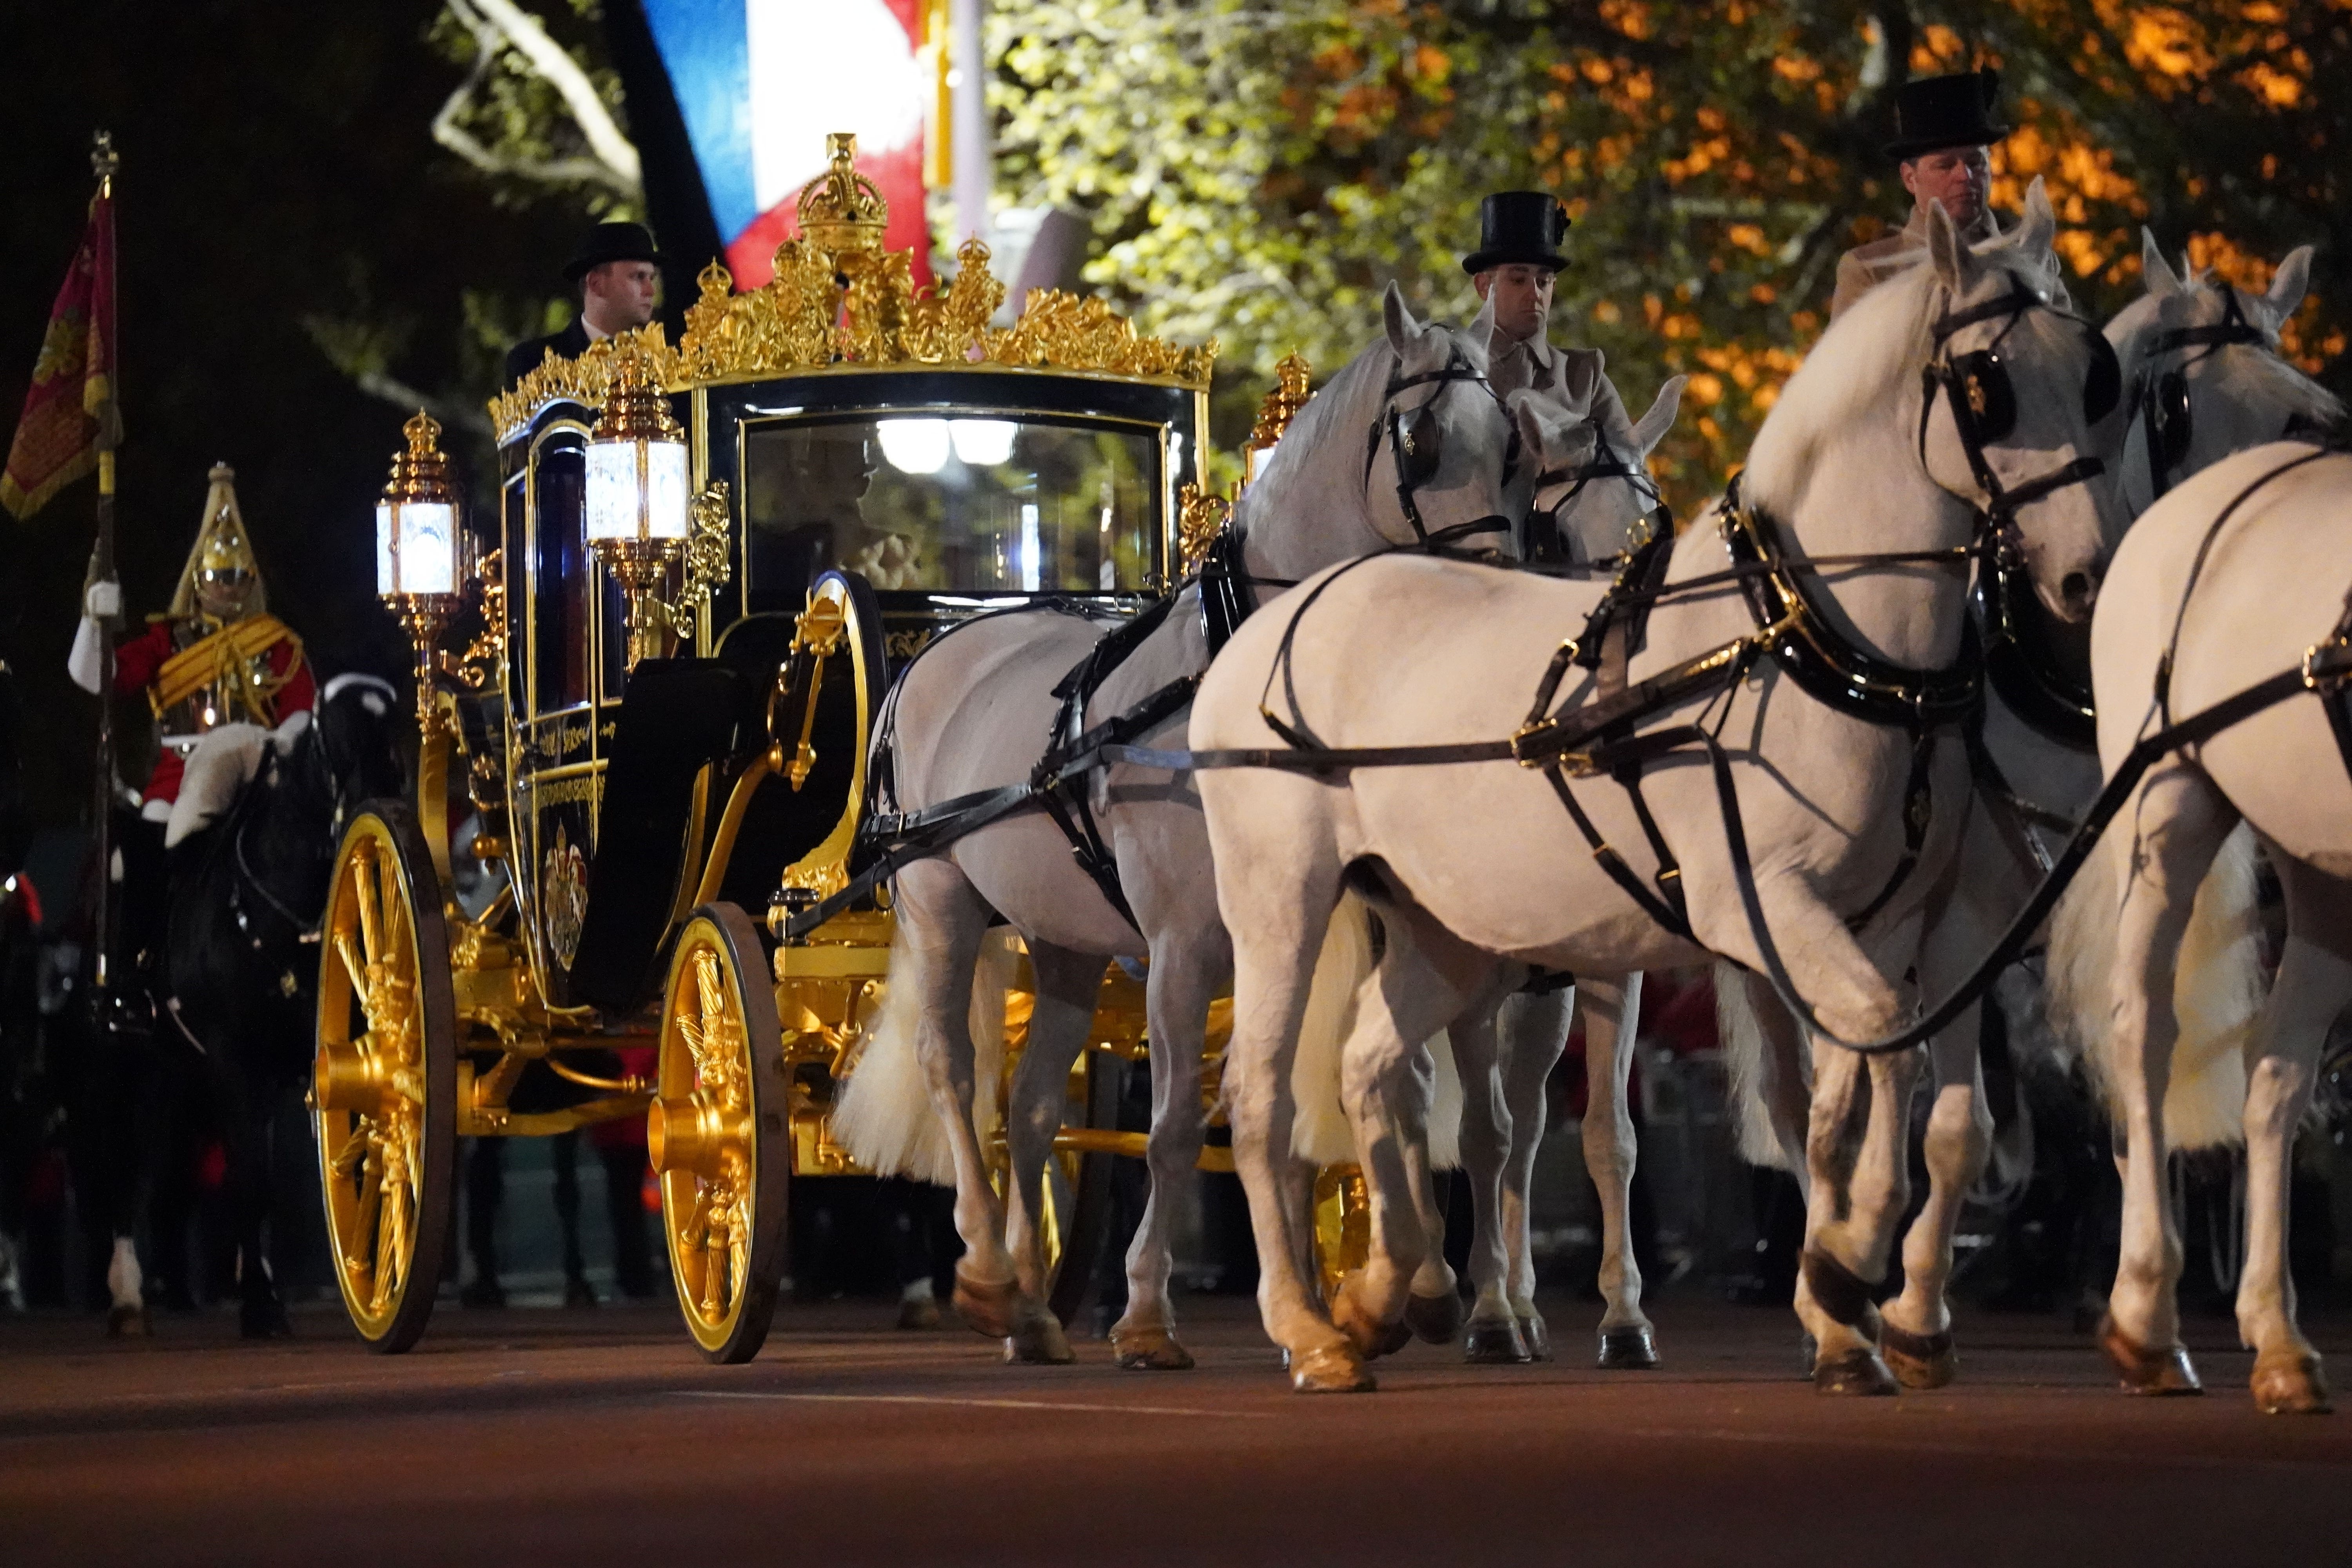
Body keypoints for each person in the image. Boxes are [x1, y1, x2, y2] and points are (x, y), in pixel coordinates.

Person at [1831, 69, 2020, 320]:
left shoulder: (2027, 257)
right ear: (1911, 178)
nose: (1965, 176)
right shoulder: (1872, 270)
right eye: (1945, 165)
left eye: (1976, 163)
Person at [502, 220, 665, 390]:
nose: (651, 291)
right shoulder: (533, 364)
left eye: (651, 278)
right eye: (639, 277)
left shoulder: (666, 361)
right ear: (596, 284)